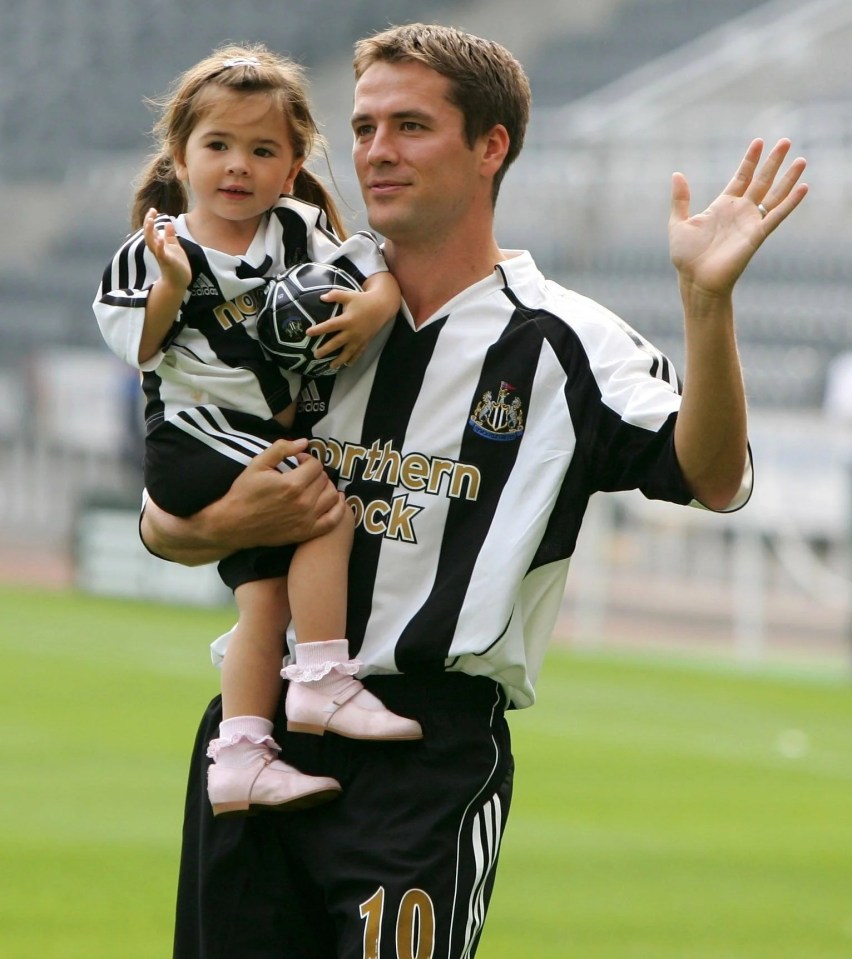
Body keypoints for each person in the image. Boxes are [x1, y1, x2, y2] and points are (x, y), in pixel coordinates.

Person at [141, 23, 808, 959]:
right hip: (258, 735)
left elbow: (714, 472)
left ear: (491, 146)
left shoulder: (566, 341)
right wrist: (218, 519)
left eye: (410, 126)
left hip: (426, 746)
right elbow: (167, 509)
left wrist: (706, 304)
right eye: (366, 126)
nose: (376, 150)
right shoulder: (293, 301)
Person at [94, 43, 421, 822]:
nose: (238, 165)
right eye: (218, 145)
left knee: (263, 599)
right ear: (179, 155)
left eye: (262, 149)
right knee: (325, 506)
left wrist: (375, 303)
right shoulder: (155, 251)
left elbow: (370, 261)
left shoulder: (299, 231)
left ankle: (240, 754)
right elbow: (138, 346)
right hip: (194, 439)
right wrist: (172, 287)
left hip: (247, 440)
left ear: (291, 164)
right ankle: (319, 679)